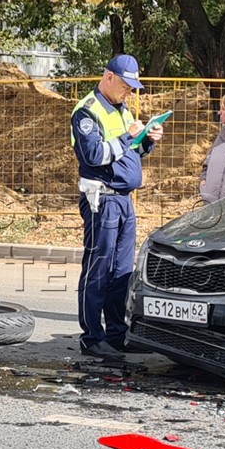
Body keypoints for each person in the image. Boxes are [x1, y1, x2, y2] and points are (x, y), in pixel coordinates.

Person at [71, 53, 164, 359]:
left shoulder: (122, 108)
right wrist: (129, 136)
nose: (129, 92)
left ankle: (116, 333)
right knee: (98, 269)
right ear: (108, 77)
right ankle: (91, 337)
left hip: (123, 200)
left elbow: (128, 152)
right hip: (102, 199)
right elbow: (95, 155)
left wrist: (147, 140)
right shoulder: (87, 112)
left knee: (122, 270)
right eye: (126, 85)